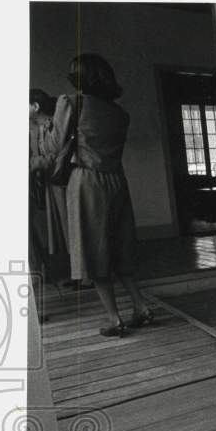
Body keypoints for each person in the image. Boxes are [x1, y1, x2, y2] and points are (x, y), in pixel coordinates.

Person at [54, 53, 153, 336]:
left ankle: (114, 318)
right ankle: (141, 306)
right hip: (116, 181)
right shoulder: (120, 114)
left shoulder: (70, 102)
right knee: (121, 249)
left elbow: (55, 143)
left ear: (79, 77)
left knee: (92, 252)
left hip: (86, 181)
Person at [28, 89, 70, 285]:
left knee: (69, 226)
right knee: (58, 230)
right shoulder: (35, 129)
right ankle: (73, 272)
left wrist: (31, 164)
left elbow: (55, 156)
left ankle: (85, 276)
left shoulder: (54, 124)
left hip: (61, 182)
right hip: (47, 185)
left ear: (35, 107)